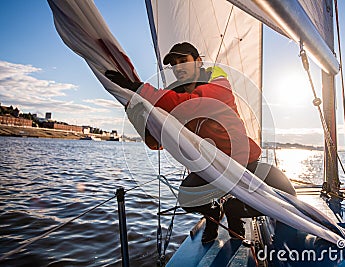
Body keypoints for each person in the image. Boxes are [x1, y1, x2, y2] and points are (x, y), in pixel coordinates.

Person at [106, 42, 296, 244]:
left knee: (287, 193)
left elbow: (189, 105)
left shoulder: (218, 85)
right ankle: (213, 214)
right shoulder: (170, 99)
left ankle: (234, 211)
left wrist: (140, 89)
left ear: (198, 61)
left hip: (243, 163)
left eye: (184, 60)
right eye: (174, 64)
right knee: (187, 198)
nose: (179, 67)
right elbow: (156, 143)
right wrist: (135, 108)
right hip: (210, 169)